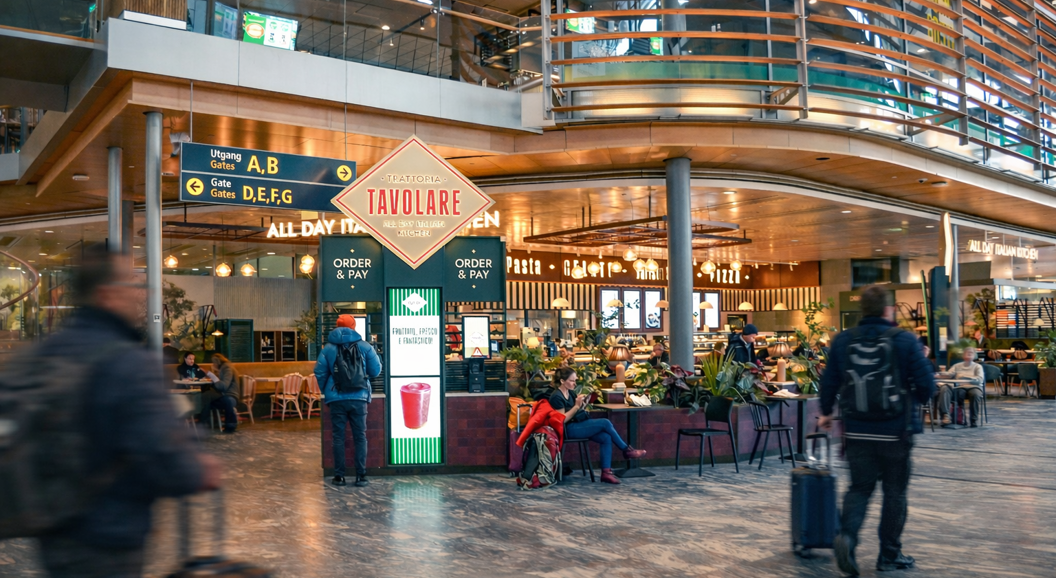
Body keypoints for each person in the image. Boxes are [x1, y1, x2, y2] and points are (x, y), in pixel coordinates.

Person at [36, 245, 219, 577]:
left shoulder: (46, 352)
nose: (140, 294)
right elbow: (165, 454)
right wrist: (199, 468)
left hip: (53, 533)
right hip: (109, 537)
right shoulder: (128, 363)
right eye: (131, 284)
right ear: (106, 294)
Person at [819, 285, 936, 576]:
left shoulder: (844, 340)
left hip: (857, 431)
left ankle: (847, 537)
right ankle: (889, 555)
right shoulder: (905, 340)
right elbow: (927, 387)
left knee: (859, 488)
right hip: (896, 432)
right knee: (895, 493)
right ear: (889, 309)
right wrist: (914, 401)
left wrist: (825, 413)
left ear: (863, 310)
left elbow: (829, 382)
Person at [548, 366, 645, 485]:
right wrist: (576, 406)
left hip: (577, 425)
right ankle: (626, 450)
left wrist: (583, 404)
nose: (575, 383)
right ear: (562, 381)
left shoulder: (570, 393)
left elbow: (576, 413)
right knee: (605, 422)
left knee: (606, 437)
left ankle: (606, 473)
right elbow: (561, 420)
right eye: (572, 380)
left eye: (575, 380)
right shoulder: (556, 396)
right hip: (567, 430)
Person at [315, 314, 381, 487]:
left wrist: (327, 390)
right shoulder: (365, 346)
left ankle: (339, 477)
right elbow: (375, 371)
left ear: (336, 326)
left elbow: (320, 372)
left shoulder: (328, 348)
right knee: (360, 436)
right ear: (354, 326)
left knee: (338, 437)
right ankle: (361, 476)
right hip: (359, 398)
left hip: (336, 399)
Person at [938, 347, 984, 427]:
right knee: (945, 388)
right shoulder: (957, 366)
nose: (969, 353)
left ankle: (974, 420)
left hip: (974, 386)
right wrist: (940, 374)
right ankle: (945, 416)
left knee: (975, 394)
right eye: (967, 352)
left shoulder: (977, 367)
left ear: (974, 356)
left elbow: (980, 379)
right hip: (959, 387)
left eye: (971, 352)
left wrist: (964, 378)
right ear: (963, 355)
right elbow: (949, 374)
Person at [200, 353, 239, 433]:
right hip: (224, 394)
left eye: (213, 363)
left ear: (217, 362)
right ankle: (204, 423)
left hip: (230, 395)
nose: (213, 364)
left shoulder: (227, 368)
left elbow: (224, 386)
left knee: (206, 398)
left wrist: (212, 375)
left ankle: (203, 423)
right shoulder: (224, 368)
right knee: (206, 397)